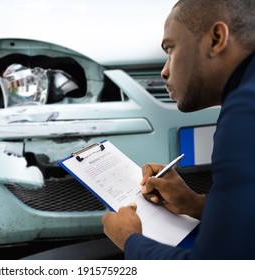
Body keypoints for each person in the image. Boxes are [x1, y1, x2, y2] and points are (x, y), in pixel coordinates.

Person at [102, 0, 255, 259]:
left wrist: (129, 239)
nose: (164, 71)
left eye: (170, 50)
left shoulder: (245, 111)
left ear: (216, 39)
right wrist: (194, 204)